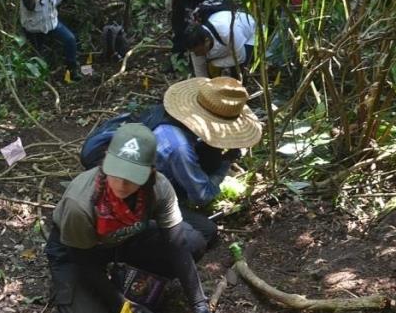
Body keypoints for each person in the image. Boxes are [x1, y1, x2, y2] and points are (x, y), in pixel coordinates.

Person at [46, 123, 223, 313]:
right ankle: (74, 292)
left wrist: (201, 310)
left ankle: (120, 280)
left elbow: (176, 244)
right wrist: (125, 308)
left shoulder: (159, 187)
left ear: (150, 172)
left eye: (131, 178)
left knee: (194, 242)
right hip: (78, 253)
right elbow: (83, 261)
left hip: (122, 239)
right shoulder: (80, 204)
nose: (120, 184)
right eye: (116, 173)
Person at [81, 77, 262, 247]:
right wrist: (225, 163)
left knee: (209, 155)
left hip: (120, 172)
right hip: (129, 191)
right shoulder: (179, 147)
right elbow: (202, 196)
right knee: (206, 232)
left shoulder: (163, 114)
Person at [19, 0, 81, 81]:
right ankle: (39, 79)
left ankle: (72, 70)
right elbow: (30, 7)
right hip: (34, 27)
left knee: (70, 39)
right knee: (38, 55)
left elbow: (51, 2)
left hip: (51, 23)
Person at [184, 6, 257, 79]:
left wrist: (215, 63)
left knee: (237, 72)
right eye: (194, 53)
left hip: (249, 36)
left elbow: (241, 57)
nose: (197, 55)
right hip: (227, 45)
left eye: (199, 51)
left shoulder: (226, 32)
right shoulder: (196, 46)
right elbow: (200, 72)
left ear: (207, 41)